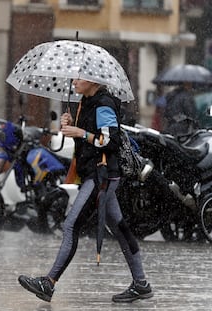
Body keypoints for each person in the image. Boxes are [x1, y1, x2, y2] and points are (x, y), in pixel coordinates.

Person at [18, 79, 153, 303]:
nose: (73, 81)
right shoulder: (87, 102)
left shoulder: (104, 104)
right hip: (93, 172)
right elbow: (88, 134)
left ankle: (48, 283)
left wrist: (81, 132)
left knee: (71, 225)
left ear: (93, 81)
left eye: (79, 78)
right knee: (120, 229)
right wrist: (70, 122)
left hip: (102, 176)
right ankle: (141, 284)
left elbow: (109, 141)